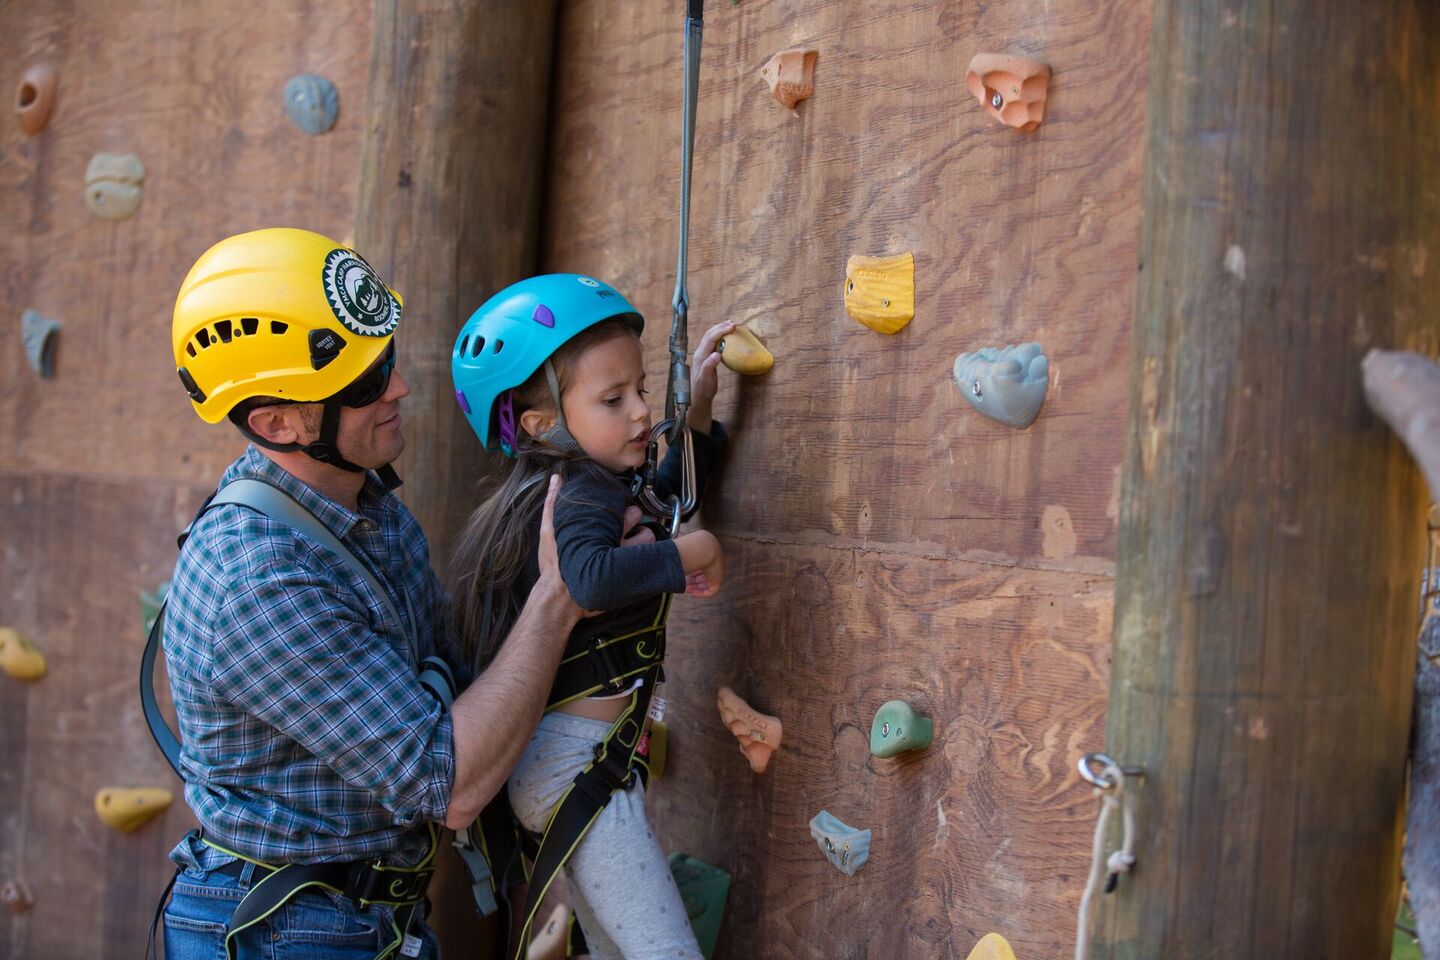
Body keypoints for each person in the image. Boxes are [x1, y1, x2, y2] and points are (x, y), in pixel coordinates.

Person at [158, 228, 594, 960]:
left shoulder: (362, 507)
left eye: (386, 357)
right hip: (288, 933)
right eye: (363, 384)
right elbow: (451, 782)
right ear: (277, 423)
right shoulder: (260, 578)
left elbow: (461, 669)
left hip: (355, 917)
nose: (397, 387)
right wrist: (559, 596)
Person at [448, 274, 734, 960]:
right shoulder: (578, 493)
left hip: (571, 766)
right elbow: (584, 579)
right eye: (614, 399)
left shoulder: (583, 484)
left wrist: (695, 415)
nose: (641, 412)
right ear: (542, 424)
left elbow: (660, 501)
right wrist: (694, 551)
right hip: (576, 767)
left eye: (642, 389)